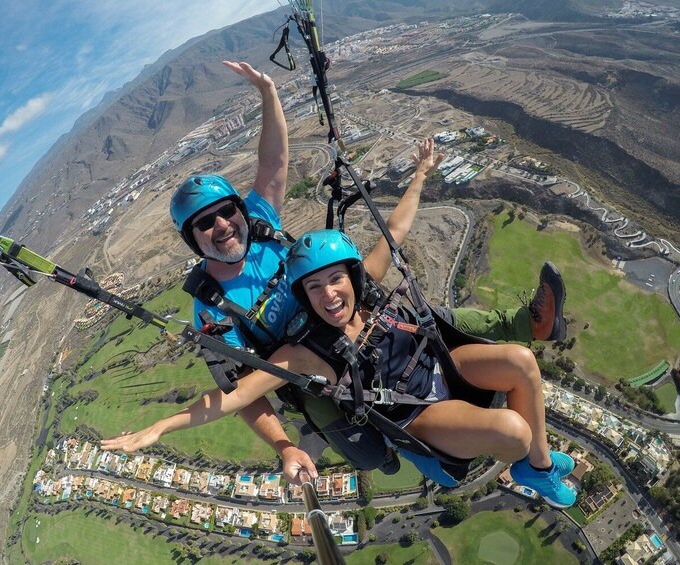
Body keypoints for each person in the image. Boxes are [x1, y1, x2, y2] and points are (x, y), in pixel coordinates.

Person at [165, 61, 566, 481]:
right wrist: (283, 446)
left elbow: (274, 165)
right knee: (356, 432)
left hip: (353, 317)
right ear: (193, 238)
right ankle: (397, 448)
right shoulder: (213, 306)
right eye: (205, 223)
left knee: (432, 321)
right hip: (312, 362)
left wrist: (268, 94)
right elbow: (242, 391)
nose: (223, 225)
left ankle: (529, 326)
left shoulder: (261, 228)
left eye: (227, 212)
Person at [103, 218, 577, 509]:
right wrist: (161, 427)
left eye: (336, 280)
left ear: (352, 278)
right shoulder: (303, 352)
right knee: (514, 432)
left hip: (438, 369)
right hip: (416, 413)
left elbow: (392, 233)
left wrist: (420, 174)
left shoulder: (366, 295)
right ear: (303, 297)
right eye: (315, 288)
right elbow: (233, 396)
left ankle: (538, 467)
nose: (329, 294)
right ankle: (532, 464)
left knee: (520, 360)